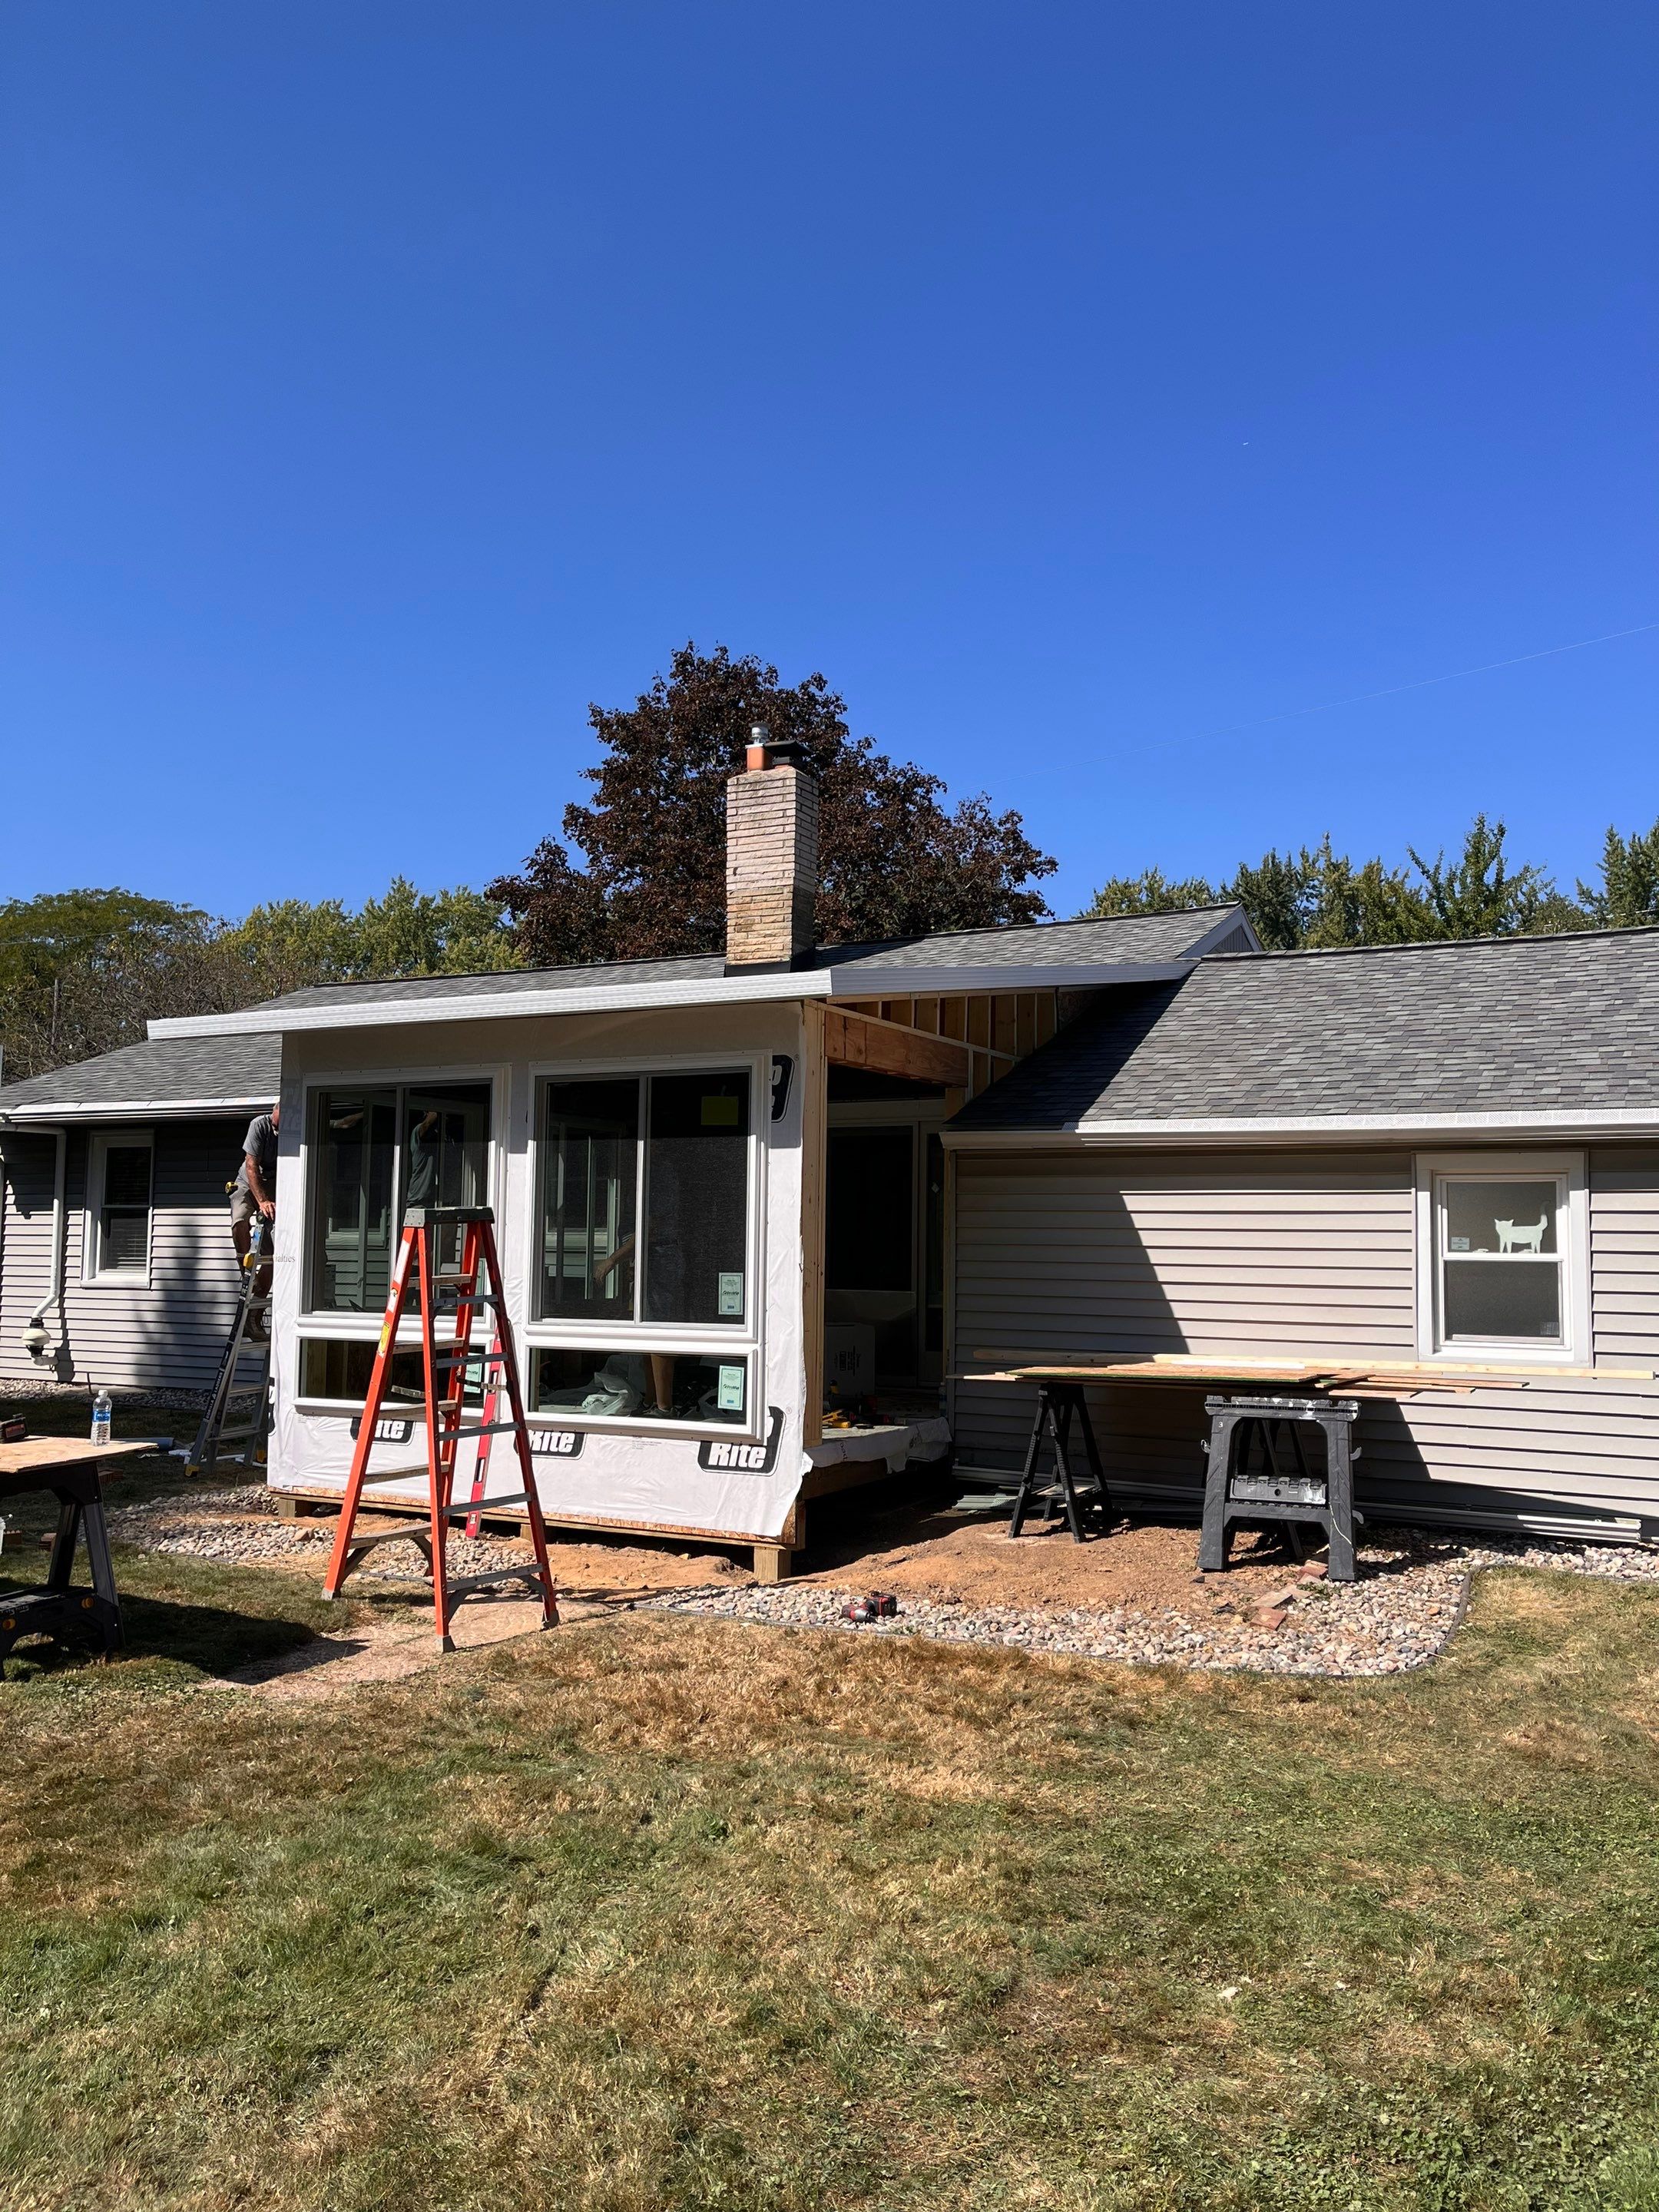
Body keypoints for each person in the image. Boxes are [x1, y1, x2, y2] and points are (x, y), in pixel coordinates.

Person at [230, 1101, 280, 1337]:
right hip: (247, 1182)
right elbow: (251, 1166)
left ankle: (255, 1320)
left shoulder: (296, 1126)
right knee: (240, 1219)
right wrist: (261, 1201)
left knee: (272, 1256)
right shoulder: (259, 1125)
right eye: (279, 1120)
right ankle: (244, 1269)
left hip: (273, 1186)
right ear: (275, 1113)